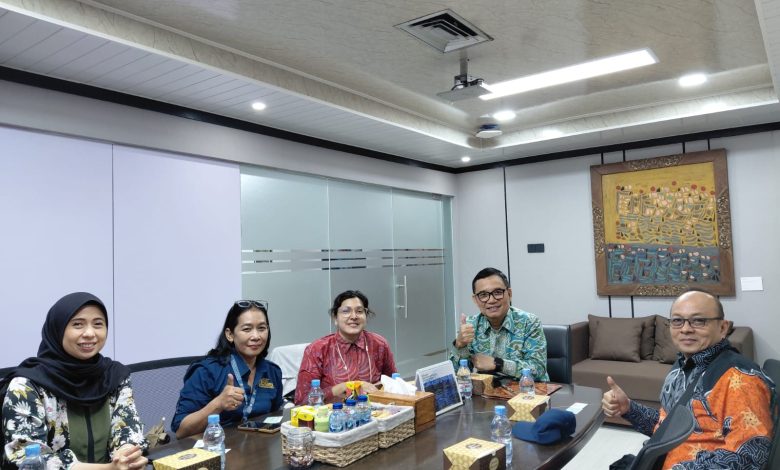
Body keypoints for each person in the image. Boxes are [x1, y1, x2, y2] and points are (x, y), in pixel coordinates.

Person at [602, 289, 775, 469]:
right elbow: (669, 427)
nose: (685, 329)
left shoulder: (741, 380)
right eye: (677, 321)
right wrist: (629, 408)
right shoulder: (685, 364)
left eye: (698, 321)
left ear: (723, 328)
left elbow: (748, 458)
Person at [1, 292, 147, 470]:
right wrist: (109, 469)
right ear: (58, 329)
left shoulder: (114, 376)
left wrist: (126, 456)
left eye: (98, 324)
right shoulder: (27, 385)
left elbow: (127, 427)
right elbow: (27, 458)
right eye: (77, 324)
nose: (90, 333)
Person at [172, 300, 282, 438]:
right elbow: (181, 431)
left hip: (259, 448)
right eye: (247, 329)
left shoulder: (272, 371)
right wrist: (218, 404)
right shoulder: (206, 371)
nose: (256, 336)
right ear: (230, 334)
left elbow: (275, 417)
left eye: (261, 328)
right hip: (216, 447)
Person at [295, 290, 396, 404]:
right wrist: (345, 387)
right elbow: (302, 401)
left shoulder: (379, 344)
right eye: (346, 311)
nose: (354, 316)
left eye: (359, 311)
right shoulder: (317, 349)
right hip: (333, 412)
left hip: (375, 411)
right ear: (335, 318)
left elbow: (393, 384)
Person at [450, 267, 549, 381]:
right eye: (483, 295)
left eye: (497, 292)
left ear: (509, 293)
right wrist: (459, 345)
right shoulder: (470, 325)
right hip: (487, 391)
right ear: (475, 299)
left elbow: (538, 369)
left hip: (527, 390)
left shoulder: (529, 322)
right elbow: (456, 373)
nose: (491, 300)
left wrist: (497, 363)